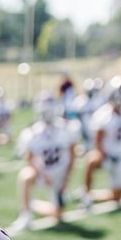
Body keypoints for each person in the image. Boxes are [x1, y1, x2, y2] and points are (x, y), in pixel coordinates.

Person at [11, 92, 78, 228]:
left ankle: (32, 203)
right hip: (42, 174)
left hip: (59, 176)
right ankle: (26, 215)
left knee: (58, 215)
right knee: (26, 175)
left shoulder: (67, 128)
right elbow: (30, 159)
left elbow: (72, 155)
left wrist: (66, 179)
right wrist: (42, 175)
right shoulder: (32, 132)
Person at [80, 78, 121, 210]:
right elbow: (98, 141)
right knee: (91, 160)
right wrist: (105, 155)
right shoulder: (103, 114)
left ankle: (92, 195)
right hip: (107, 156)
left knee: (117, 198)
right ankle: (86, 193)